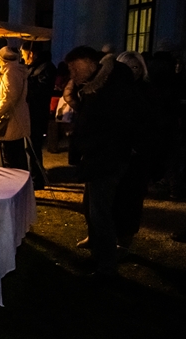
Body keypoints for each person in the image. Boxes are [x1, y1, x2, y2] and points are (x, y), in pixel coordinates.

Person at [64, 46, 135, 278]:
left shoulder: (112, 84)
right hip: (97, 157)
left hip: (107, 158)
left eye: (75, 68)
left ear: (89, 62)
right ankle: (97, 251)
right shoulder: (95, 85)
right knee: (91, 206)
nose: (73, 74)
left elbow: (113, 123)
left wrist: (89, 141)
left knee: (100, 212)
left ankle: (106, 266)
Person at [112, 51, 154, 249]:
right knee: (113, 197)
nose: (133, 71)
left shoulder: (146, 91)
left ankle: (125, 239)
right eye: (128, 67)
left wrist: (138, 145)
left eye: (136, 67)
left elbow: (150, 123)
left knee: (131, 198)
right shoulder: (115, 90)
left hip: (137, 155)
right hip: (117, 152)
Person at [21, 43, 56, 188]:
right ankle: (32, 176)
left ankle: (37, 179)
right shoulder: (33, 67)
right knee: (28, 147)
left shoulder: (46, 68)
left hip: (37, 114)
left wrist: (25, 85)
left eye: (24, 54)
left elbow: (42, 91)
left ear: (31, 53)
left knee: (33, 147)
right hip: (29, 113)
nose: (23, 57)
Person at [0, 46, 31, 171]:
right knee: (18, 154)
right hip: (18, 118)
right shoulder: (17, 70)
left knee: (11, 157)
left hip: (12, 120)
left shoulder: (11, 73)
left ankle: (14, 180)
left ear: (3, 60)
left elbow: (10, 98)